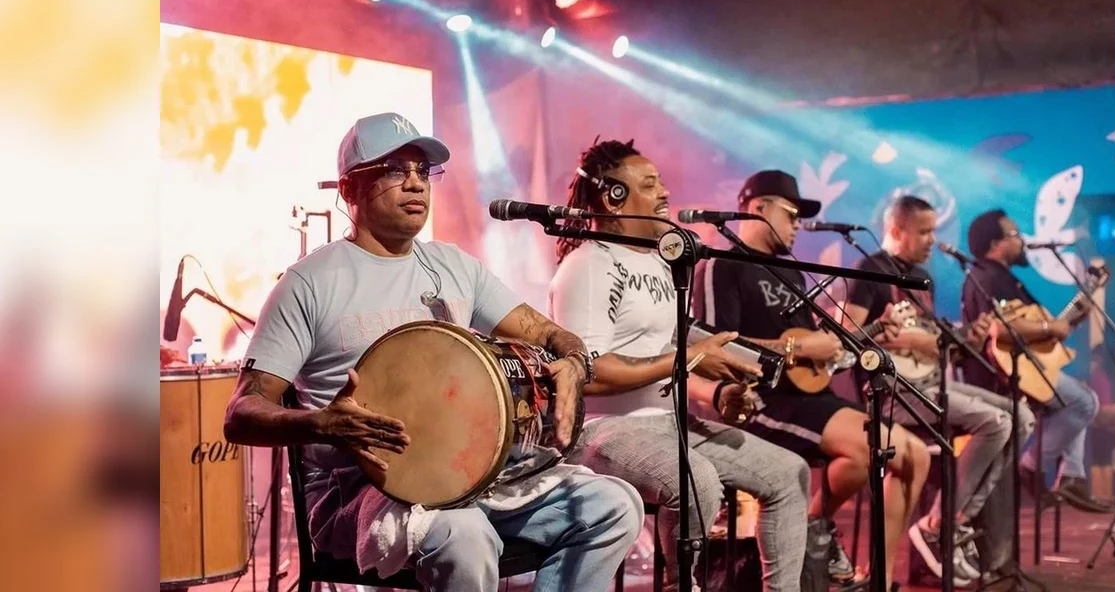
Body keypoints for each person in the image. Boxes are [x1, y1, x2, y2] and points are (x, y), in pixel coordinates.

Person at [222, 112, 642, 592]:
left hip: (473, 477)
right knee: (463, 535)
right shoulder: (307, 284)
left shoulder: (454, 265)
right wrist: (322, 424)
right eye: (394, 170)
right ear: (348, 189)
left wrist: (571, 362)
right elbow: (240, 414)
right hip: (357, 493)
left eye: (423, 171)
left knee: (613, 505)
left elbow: (552, 334)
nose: (416, 184)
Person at [548, 139, 811, 592]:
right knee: (698, 481)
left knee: (790, 473)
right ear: (612, 199)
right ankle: (679, 584)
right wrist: (689, 359)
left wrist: (721, 388)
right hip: (601, 429)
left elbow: (669, 347)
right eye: (649, 184)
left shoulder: (658, 264)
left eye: (662, 182)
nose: (664, 193)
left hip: (668, 424)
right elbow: (587, 373)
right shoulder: (589, 264)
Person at [692, 170, 930, 586]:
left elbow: (822, 360)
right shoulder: (721, 266)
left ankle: (881, 578)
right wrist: (798, 348)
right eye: (790, 213)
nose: (798, 223)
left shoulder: (794, 275)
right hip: (756, 399)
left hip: (807, 398)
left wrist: (866, 339)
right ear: (757, 208)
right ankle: (814, 528)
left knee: (915, 456)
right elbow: (715, 347)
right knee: (864, 452)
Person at [842, 195, 1034, 585]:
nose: (933, 239)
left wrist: (969, 340)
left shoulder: (919, 277)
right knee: (996, 422)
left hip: (930, 383)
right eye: (924, 231)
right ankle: (940, 523)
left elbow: (937, 348)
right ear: (897, 230)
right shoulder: (871, 269)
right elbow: (847, 337)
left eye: (934, 230)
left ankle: (953, 520)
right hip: (894, 391)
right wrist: (898, 337)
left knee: (1023, 416)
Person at [960, 209, 1113, 514]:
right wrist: (1048, 328)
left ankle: (1071, 476)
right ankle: (1034, 466)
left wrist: (1072, 314)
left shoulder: (1002, 278)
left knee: (1079, 400)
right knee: (1082, 402)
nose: (1023, 241)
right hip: (1002, 377)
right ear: (996, 244)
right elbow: (1000, 327)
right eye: (1016, 235)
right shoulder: (990, 277)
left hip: (1020, 370)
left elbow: (1042, 330)